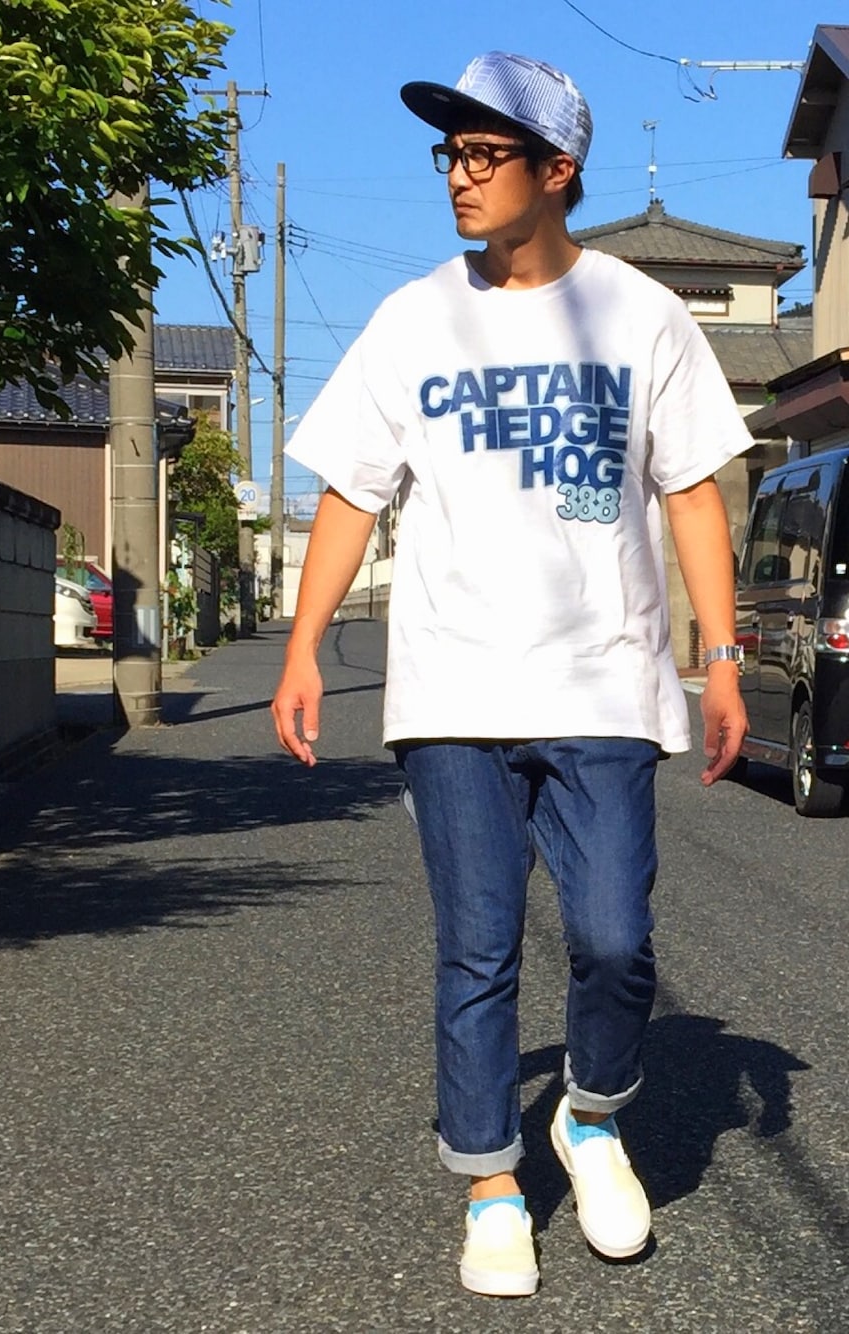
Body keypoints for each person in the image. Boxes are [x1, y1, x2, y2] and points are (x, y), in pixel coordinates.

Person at [271, 50, 750, 1298]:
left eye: (485, 154)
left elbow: (692, 490)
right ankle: (491, 1180)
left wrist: (721, 658)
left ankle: (589, 1116)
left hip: (606, 684)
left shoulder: (643, 314)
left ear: (558, 169)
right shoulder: (413, 317)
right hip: (453, 687)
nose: (458, 176)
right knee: (477, 946)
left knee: (614, 937)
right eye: (451, 153)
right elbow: (350, 491)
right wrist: (304, 646)